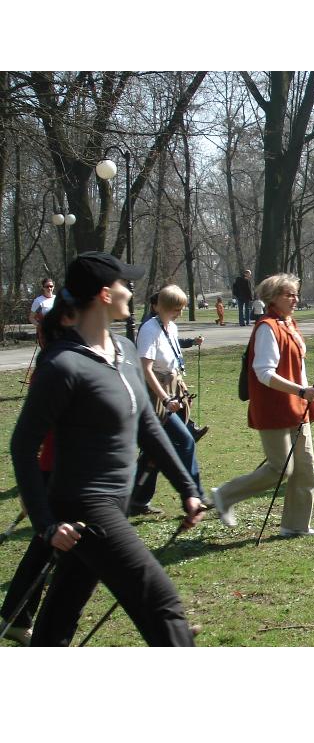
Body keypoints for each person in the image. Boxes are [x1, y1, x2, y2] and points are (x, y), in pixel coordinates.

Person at [10, 251, 205, 646]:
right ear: (103, 294)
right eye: (123, 284)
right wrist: (46, 523)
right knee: (162, 605)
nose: (130, 290)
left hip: (117, 499)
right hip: (84, 505)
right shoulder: (63, 366)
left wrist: (187, 488)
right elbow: (22, 445)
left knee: (59, 616)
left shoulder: (124, 351)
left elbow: (148, 427)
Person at [211, 274, 314, 537]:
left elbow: (299, 367)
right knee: (280, 469)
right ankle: (225, 495)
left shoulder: (289, 324)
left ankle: (295, 525)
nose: (295, 299)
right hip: (274, 407)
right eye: (288, 294)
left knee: (305, 467)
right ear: (272, 297)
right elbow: (263, 372)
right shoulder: (267, 327)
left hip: (298, 406)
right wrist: (300, 390)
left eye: (295, 293)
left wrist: (312, 393)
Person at [1, 302, 76, 646]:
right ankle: (18, 615)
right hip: (55, 471)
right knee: (45, 549)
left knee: (44, 550)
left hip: (60, 471)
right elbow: (34, 438)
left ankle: (17, 614)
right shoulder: (53, 369)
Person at [129, 284, 207, 517]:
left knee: (155, 451)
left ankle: (137, 499)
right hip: (155, 397)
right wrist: (164, 398)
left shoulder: (169, 327)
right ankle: (196, 495)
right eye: (176, 309)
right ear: (162, 307)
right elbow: (145, 369)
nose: (180, 313)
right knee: (184, 441)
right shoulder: (149, 329)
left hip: (172, 390)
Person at [29, 277, 56, 342]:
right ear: (43, 287)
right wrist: (41, 326)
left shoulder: (57, 299)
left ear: (53, 287)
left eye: (51, 286)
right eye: (47, 286)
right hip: (45, 334)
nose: (49, 288)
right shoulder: (38, 301)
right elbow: (31, 318)